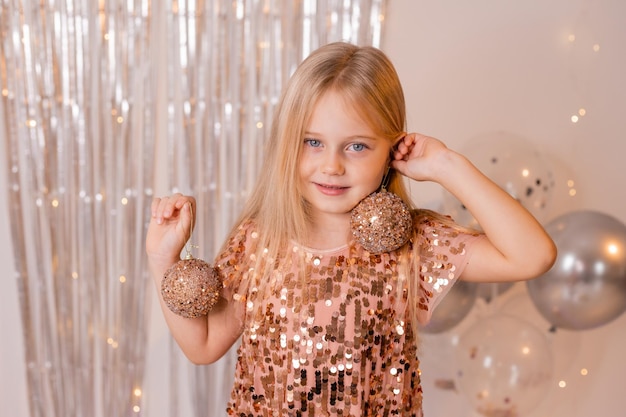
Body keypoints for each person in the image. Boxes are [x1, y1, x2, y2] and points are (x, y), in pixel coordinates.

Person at [146, 42, 557, 416]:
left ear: (391, 150)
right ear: (288, 143)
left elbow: (532, 256)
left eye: (357, 146)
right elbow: (203, 345)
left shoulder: (412, 244)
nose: (332, 165)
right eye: (312, 142)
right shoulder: (260, 239)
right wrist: (163, 258)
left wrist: (447, 165)